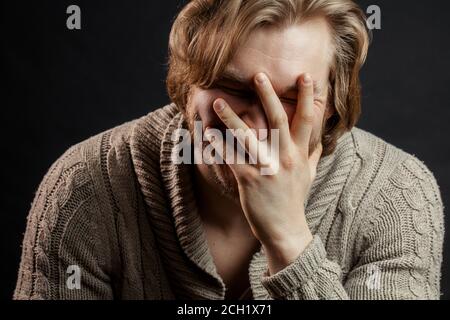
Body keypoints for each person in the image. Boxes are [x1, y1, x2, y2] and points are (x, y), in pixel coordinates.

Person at [14, 0, 444, 300]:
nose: (256, 128)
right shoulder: (89, 185)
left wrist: (290, 240)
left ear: (334, 103)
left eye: (294, 96)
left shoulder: (396, 194)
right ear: (185, 88)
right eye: (233, 89)